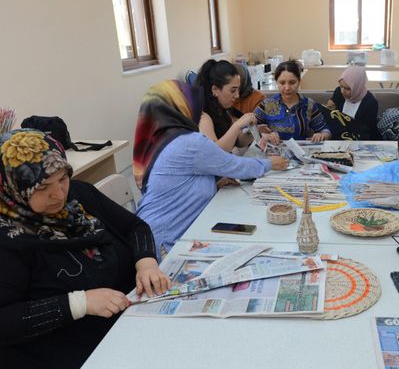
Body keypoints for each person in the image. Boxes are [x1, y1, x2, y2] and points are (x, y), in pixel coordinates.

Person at [0, 129, 169, 368]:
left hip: (130, 324)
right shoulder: (9, 239)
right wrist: (79, 303)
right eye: (42, 187)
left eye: (62, 179)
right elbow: (5, 322)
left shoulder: (79, 196)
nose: (58, 194)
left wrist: (146, 262)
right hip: (73, 350)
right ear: (14, 188)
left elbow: (135, 227)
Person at [133, 80, 288, 258]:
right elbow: (233, 165)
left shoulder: (161, 138)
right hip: (165, 242)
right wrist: (270, 163)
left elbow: (180, 178)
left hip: (153, 234)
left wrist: (212, 182)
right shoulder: (189, 142)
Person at [254, 60, 331, 143]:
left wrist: (322, 135)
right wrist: (263, 134)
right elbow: (249, 129)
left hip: (303, 152)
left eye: (292, 82)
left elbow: (326, 130)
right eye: (282, 83)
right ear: (276, 82)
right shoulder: (267, 104)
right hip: (274, 152)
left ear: (299, 82)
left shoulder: (309, 104)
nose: (287, 88)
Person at [197, 59, 256, 151]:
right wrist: (237, 125)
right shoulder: (203, 117)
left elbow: (239, 142)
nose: (237, 95)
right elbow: (215, 152)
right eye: (232, 90)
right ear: (215, 89)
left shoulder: (223, 109)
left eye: (238, 89)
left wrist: (252, 130)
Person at [325, 66, 380, 140]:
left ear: (357, 86)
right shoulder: (338, 93)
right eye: (341, 86)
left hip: (362, 139)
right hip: (339, 137)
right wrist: (329, 109)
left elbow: (365, 129)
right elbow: (332, 118)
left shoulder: (370, 103)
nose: (343, 91)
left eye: (348, 89)